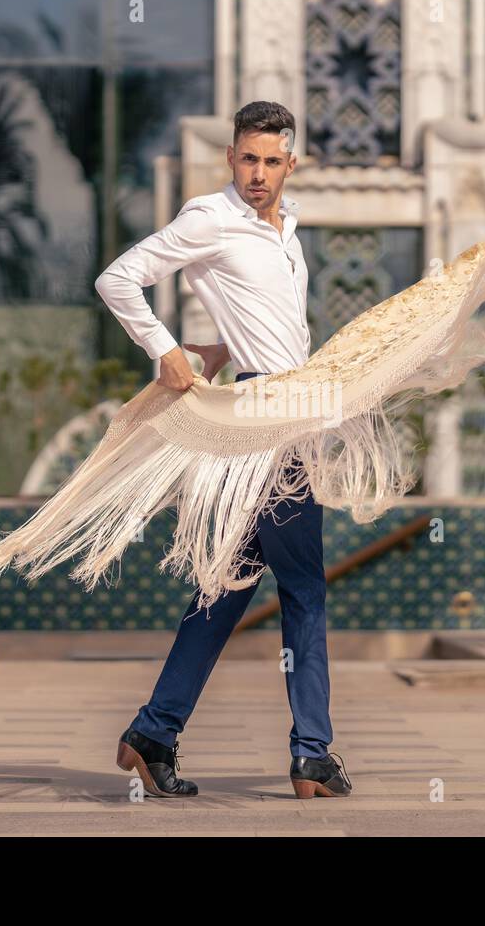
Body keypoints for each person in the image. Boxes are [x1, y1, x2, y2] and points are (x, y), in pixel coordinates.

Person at [94, 100, 351, 799]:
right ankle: (312, 751)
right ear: (231, 159)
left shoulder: (289, 233)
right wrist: (167, 350)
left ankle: (153, 732)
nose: (258, 173)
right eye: (247, 159)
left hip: (289, 415)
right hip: (264, 425)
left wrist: (216, 346)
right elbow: (116, 279)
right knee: (303, 590)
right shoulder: (210, 217)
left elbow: (264, 327)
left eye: (271, 161)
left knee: (226, 591)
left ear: (291, 164)